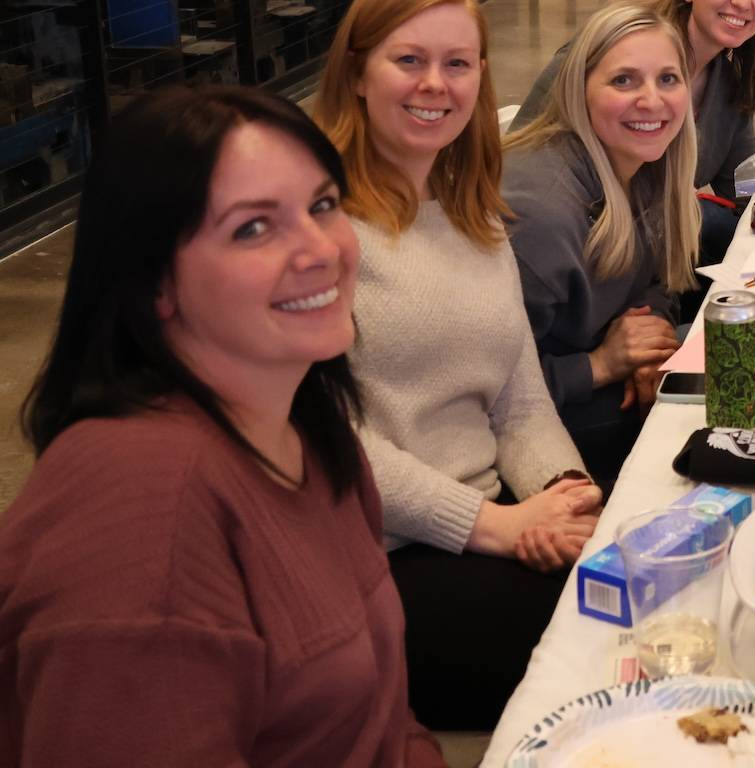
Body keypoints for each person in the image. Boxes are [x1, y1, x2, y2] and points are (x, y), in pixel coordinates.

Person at [1, 86, 443, 767]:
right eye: (253, 228)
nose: (320, 249)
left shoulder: (305, 426)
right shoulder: (141, 514)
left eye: (322, 205)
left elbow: (386, 717)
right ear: (154, 283)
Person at [313, 0, 601, 731]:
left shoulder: (470, 215)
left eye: (457, 63)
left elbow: (518, 395)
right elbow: (331, 441)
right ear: (357, 73)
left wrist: (564, 492)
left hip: (485, 520)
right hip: (381, 557)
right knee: (605, 650)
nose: (434, 84)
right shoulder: (322, 233)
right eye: (408, 60)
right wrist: (500, 526)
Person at [512, 0, 755, 273]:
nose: (742, 1)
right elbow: (522, 160)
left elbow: (746, 194)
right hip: (570, 248)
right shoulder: (612, 49)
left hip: (646, 257)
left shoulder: (729, 84)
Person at [503, 2, 700, 480]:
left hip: (582, 368)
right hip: (522, 423)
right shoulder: (543, 217)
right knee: (701, 413)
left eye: (667, 79)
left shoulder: (645, 166)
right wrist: (601, 364)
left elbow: (655, 279)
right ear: (579, 91)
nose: (651, 100)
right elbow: (481, 391)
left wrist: (647, 341)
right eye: (624, 80)